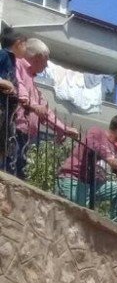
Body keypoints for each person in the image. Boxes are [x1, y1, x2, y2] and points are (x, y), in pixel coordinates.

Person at [56, 115, 117, 222]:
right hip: (74, 180)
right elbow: (92, 144)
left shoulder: (116, 149)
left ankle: (113, 227)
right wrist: (108, 156)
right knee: (75, 219)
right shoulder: (97, 132)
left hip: (92, 185)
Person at [12, 38, 79, 178]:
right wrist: (33, 105)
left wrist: (64, 129)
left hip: (23, 134)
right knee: (11, 168)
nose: (47, 65)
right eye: (46, 60)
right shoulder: (17, 65)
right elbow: (19, 89)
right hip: (14, 128)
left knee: (18, 172)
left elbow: (45, 111)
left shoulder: (32, 81)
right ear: (37, 58)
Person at [0, 29, 26, 171]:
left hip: (7, 111)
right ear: (18, 43)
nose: (26, 49)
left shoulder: (13, 61)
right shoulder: (3, 55)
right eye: (25, 45)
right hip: (1, 107)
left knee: (4, 142)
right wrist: (4, 82)